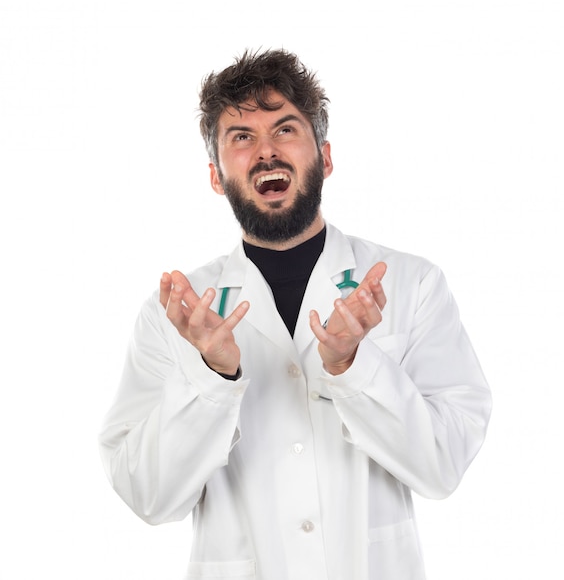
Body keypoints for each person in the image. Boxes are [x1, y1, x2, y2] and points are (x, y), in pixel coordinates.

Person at [99, 49, 492, 580]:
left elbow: (442, 466)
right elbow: (149, 496)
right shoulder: (177, 310)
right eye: (241, 137)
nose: (266, 152)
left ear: (324, 158)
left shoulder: (411, 284)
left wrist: (353, 366)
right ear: (216, 175)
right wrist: (211, 376)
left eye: (285, 129)